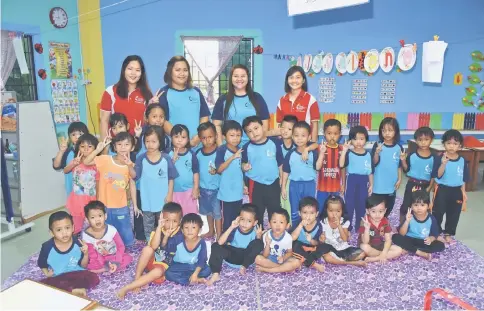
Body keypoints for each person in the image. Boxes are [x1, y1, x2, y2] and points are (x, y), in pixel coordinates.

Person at [117, 203, 183, 299]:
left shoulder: (181, 234)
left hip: (163, 266)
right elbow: (154, 246)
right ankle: (137, 279)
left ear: (180, 221)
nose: (170, 225)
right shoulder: (157, 229)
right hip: (151, 261)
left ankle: (128, 287)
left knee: (158, 272)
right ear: (161, 217)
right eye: (167, 220)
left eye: (175, 221)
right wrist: (159, 228)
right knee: (147, 249)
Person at [83, 132, 139, 246]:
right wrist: (97, 150)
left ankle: (126, 251)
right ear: (114, 147)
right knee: (107, 235)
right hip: (104, 207)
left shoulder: (131, 165)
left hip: (121, 207)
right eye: (119, 144)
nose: (123, 147)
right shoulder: (105, 159)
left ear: (132, 147)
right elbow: (86, 162)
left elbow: (133, 182)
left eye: (126, 144)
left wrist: (135, 205)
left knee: (126, 236)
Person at [37, 211, 99, 297]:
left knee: (93, 277)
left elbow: (84, 266)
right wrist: (47, 273)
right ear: (51, 232)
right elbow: (41, 263)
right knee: (44, 285)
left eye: (67, 228)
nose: (64, 233)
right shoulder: (47, 247)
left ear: (73, 228)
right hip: (58, 276)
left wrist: (86, 254)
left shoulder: (78, 243)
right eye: (59, 230)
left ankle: (71, 290)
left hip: (77, 273)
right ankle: (74, 289)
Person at [100, 55, 159, 141]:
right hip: (117, 144)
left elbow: (145, 122)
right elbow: (104, 121)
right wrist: (104, 147)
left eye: (137, 70)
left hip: (138, 143)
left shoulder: (147, 94)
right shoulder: (110, 91)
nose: (133, 73)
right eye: (130, 69)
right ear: (124, 70)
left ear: (142, 73)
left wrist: (152, 106)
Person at [134, 125, 178, 240]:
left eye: (153, 141)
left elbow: (171, 178)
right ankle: (150, 244)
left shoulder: (166, 159)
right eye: (147, 141)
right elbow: (134, 177)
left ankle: (164, 243)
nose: (150, 144)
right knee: (148, 226)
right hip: (147, 200)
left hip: (163, 200)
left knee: (163, 224)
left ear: (160, 142)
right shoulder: (141, 158)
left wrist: (169, 195)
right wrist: (129, 166)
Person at [159, 56, 211, 148]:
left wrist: (198, 137)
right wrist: (180, 139)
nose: (182, 73)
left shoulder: (196, 92)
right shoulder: (164, 93)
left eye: (185, 70)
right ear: (170, 72)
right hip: (176, 147)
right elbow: (163, 121)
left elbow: (204, 116)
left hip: (198, 144)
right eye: (178, 70)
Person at [212, 64, 270, 146]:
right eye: (236, 76)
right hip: (231, 148)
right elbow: (216, 124)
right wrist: (221, 148)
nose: (239, 79)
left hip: (254, 146)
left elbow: (264, 125)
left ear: (247, 78)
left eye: (243, 76)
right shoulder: (223, 99)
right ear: (231, 78)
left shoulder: (257, 98)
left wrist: (259, 145)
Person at [242, 116, 283, 228]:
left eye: (256, 128)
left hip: (273, 183)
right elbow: (242, 164)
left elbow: (280, 163)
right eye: (249, 131)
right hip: (255, 184)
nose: (254, 133)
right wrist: (244, 166)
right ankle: (258, 237)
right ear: (246, 134)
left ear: (262, 127)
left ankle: (274, 235)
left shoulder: (275, 143)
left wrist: (282, 181)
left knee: (274, 211)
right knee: (257, 212)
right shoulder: (246, 148)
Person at [207, 204, 263, 285]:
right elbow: (220, 243)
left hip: (245, 258)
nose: (244, 223)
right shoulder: (235, 228)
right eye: (242, 219)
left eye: (249, 221)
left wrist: (258, 237)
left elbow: (256, 249)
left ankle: (244, 267)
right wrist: (231, 227)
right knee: (215, 245)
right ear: (238, 218)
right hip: (232, 255)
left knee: (259, 243)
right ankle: (216, 273)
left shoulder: (256, 230)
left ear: (255, 222)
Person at [281, 121, 323, 227]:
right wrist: (283, 187)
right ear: (293, 137)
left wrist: (321, 154)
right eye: (296, 135)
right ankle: (296, 229)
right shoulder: (290, 154)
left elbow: (318, 167)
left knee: (309, 209)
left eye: (303, 136)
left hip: (309, 185)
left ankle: (309, 230)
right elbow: (285, 171)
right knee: (295, 210)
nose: (299, 138)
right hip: (294, 185)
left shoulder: (313, 153)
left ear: (309, 137)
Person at [431, 129, 469, 243]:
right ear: (444, 144)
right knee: (438, 212)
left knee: (454, 214)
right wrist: (443, 164)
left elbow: (463, 179)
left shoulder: (462, 160)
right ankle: (436, 233)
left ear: (460, 146)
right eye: (449, 143)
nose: (451, 146)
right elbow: (438, 175)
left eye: (455, 144)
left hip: (457, 190)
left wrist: (464, 193)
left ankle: (449, 233)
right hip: (442, 189)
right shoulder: (439, 158)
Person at [392, 190, 445, 260]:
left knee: (441, 246)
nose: (419, 208)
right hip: (409, 239)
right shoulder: (409, 216)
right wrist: (407, 221)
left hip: (423, 241)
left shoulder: (431, 218)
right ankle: (420, 253)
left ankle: (410, 249)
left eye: (422, 205)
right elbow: (401, 234)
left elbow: (434, 235)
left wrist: (431, 239)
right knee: (395, 237)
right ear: (411, 206)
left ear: (428, 206)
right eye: (416, 205)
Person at [82, 201, 132, 273]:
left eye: (100, 216)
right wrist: (103, 262)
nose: (97, 220)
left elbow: (121, 246)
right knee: (90, 264)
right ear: (87, 220)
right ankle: (106, 268)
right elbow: (91, 252)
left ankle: (107, 268)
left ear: (105, 216)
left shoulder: (111, 229)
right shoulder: (86, 234)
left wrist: (116, 262)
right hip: (99, 257)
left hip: (113, 255)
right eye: (92, 217)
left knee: (127, 258)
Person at [340, 126, 374, 232]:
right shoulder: (349, 153)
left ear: (366, 139)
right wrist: (344, 151)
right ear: (351, 140)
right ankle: (348, 227)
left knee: (361, 205)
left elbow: (370, 171)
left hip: (363, 181)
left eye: (361, 139)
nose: (358, 142)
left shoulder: (368, 155)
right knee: (349, 205)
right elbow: (341, 165)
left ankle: (359, 227)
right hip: (351, 181)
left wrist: (371, 185)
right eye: (355, 139)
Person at [400, 127, 437, 224]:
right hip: (412, 183)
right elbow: (406, 169)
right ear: (416, 141)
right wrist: (403, 160)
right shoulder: (412, 155)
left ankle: (422, 225)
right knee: (407, 205)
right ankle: (403, 224)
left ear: (431, 140)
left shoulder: (434, 157)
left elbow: (434, 174)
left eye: (426, 140)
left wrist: (429, 188)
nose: (423, 143)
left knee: (423, 206)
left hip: (425, 186)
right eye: (420, 140)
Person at [64, 134, 99, 235]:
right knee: (76, 226)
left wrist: (98, 199)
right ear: (78, 147)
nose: (86, 149)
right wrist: (73, 164)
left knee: (93, 223)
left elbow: (98, 182)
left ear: (95, 148)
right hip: (76, 200)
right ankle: (74, 240)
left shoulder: (96, 163)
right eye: (82, 146)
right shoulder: (76, 161)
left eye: (90, 146)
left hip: (91, 199)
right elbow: (66, 171)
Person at [319, 195, 367, 267]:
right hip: (330, 249)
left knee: (362, 253)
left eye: (338, 211)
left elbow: (345, 239)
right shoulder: (323, 222)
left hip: (343, 248)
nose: (334, 214)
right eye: (331, 211)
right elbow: (322, 241)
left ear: (342, 211)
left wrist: (339, 226)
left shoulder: (344, 222)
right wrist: (321, 239)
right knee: (326, 256)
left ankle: (340, 259)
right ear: (326, 210)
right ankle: (351, 263)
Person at [276, 66, 320, 142]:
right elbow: (279, 125)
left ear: (303, 80)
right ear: (287, 80)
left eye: (298, 77)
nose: (294, 80)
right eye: (291, 77)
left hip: (304, 144)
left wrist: (313, 144)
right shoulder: (282, 100)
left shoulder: (311, 99)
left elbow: (315, 125)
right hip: (286, 143)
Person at [165, 213, 212, 285]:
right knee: (168, 273)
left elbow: (202, 259)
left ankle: (192, 277)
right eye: (186, 228)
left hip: (194, 266)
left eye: (193, 228)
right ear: (182, 230)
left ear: (199, 230)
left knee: (207, 270)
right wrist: (167, 237)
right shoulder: (177, 239)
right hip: (179, 266)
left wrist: (195, 273)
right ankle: (195, 280)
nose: (189, 231)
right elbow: (166, 249)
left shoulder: (201, 242)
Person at [371, 117, 404, 218]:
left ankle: (384, 221)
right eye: (384, 130)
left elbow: (399, 165)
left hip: (391, 184)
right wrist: (377, 152)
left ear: (396, 131)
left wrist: (399, 179)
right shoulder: (378, 145)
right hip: (378, 183)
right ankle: (374, 222)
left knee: (389, 205)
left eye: (390, 130)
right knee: (376, 205)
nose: (387, 133)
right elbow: (374, 163)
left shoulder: (399, 147)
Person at [215, 121, 244, 231]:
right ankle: (225, 240)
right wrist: (232, 157)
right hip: (226, 193)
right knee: (227, 220)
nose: (235, 138)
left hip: (238, 191)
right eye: (232, 135)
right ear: (224, 136)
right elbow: (219, 169)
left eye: (238, 135)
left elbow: (240, 170)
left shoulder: (240, 149)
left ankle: (235, 239)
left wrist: (244, 185)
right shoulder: (222, 150)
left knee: (237, 217)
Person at [290, 197, 331, 272]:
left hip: (311, 248)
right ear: (299, 213)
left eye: (312, 213)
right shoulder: (297, 222)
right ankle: (314, 264)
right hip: (299, 246)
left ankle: (303, 259)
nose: (308, 216)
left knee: (326, 246)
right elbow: (291, 238)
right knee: (294, 246)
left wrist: (313, 240)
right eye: (305, 212)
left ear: (316, 214)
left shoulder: (319, 226)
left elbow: (317, 243)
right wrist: (300, 225)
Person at [196, 122, 221, 239]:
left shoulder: (220, 152)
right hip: (203, 189)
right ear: (200, 139)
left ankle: (219, 234)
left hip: (217, 190)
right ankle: (211, 231)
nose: (207, 140)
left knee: (217, 213)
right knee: (208, 212)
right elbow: (195, 172)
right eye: (204, 138)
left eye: (210, 137)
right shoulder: (198, 154)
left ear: (216, 136)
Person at [255, 208, 301, 273]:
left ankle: (266, 270)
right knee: (258, 259)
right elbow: (265, 255)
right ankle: (284, 269)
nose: (278, 225)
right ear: (269, 224)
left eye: (281, 222)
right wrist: (268, 244)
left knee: (297, 262)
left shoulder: (288, 238)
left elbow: (289, 252)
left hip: (283, 259)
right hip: (270, 259)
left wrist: (283, 258)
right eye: (274, 222)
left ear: (287, 225)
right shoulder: (267, 235)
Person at [358, 195, 402, 263]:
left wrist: (384, 252)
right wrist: (367, 229)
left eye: (380, 211)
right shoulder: (364, 221)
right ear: (367, 211)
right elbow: (365, 242)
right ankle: (382, 256)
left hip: (379, 244)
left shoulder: (385, 221)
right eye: (373, 211)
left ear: (385, 211)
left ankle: (376, 258)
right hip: (368, 245)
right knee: (364, 247)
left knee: (399, 250)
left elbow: (388, 240)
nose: (377, 215)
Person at [169, 124, 200, 215]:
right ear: (171, 138)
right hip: (173, 191)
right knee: (175, 216)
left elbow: (196, 172)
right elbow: (165, 172)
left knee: (190, 216)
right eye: (176, 137)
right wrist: (172, 161)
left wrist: (195, 188)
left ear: (188, 140)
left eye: (183, 137)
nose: (179, 140)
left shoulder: (191, 154)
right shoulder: (167, 154)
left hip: (189, 192)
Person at [53, 122, 88, 197]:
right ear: (69, 137)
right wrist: (61, 151)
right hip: (72, 192)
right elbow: (56, 166)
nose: (77, 137)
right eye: (73, 134)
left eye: (80, 134)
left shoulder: (90, 150)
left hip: (88, 192)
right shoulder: (68, 152)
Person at [317, 119, 345, 214]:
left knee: (334, 211)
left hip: (335, 188)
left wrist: (343, 184)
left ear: (340, 134)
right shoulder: (320, 148)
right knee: (320, 209)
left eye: (335, 133)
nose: (332, 136)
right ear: (324, 133)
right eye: (329, 133)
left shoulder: (342, 149)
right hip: (322, 188)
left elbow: (343, 168)